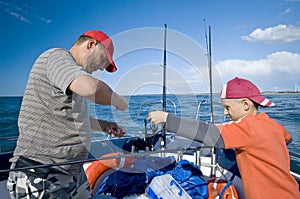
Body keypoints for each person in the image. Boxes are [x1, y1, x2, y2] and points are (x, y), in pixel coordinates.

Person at [7, 30, 128, 198]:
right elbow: (92, 88)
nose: (101, 67)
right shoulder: (57, 56)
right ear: (91, 44)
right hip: (41, 173)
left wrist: (105, 125)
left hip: (73, 172)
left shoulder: (72, 79)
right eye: (103, 60)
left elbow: (73, 118)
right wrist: (117, 100)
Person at [148, 77, 300, 199]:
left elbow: (208, 133)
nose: (226, 113)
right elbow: (288, 139)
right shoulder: (272, 124)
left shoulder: (247, 127)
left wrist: (168, 119)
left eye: (227, 107)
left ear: (245, 104)